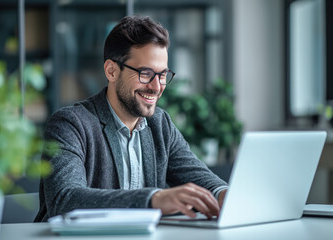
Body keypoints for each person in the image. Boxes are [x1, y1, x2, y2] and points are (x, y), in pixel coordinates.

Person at [35, 15, 228, 222]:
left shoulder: (160, 124)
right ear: (111, 71)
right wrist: (153, 199)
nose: (156, 87)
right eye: (145, 73)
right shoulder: (69, 124)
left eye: (162, 75)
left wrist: (224, 194)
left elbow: (202, 180)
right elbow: (66, 200)